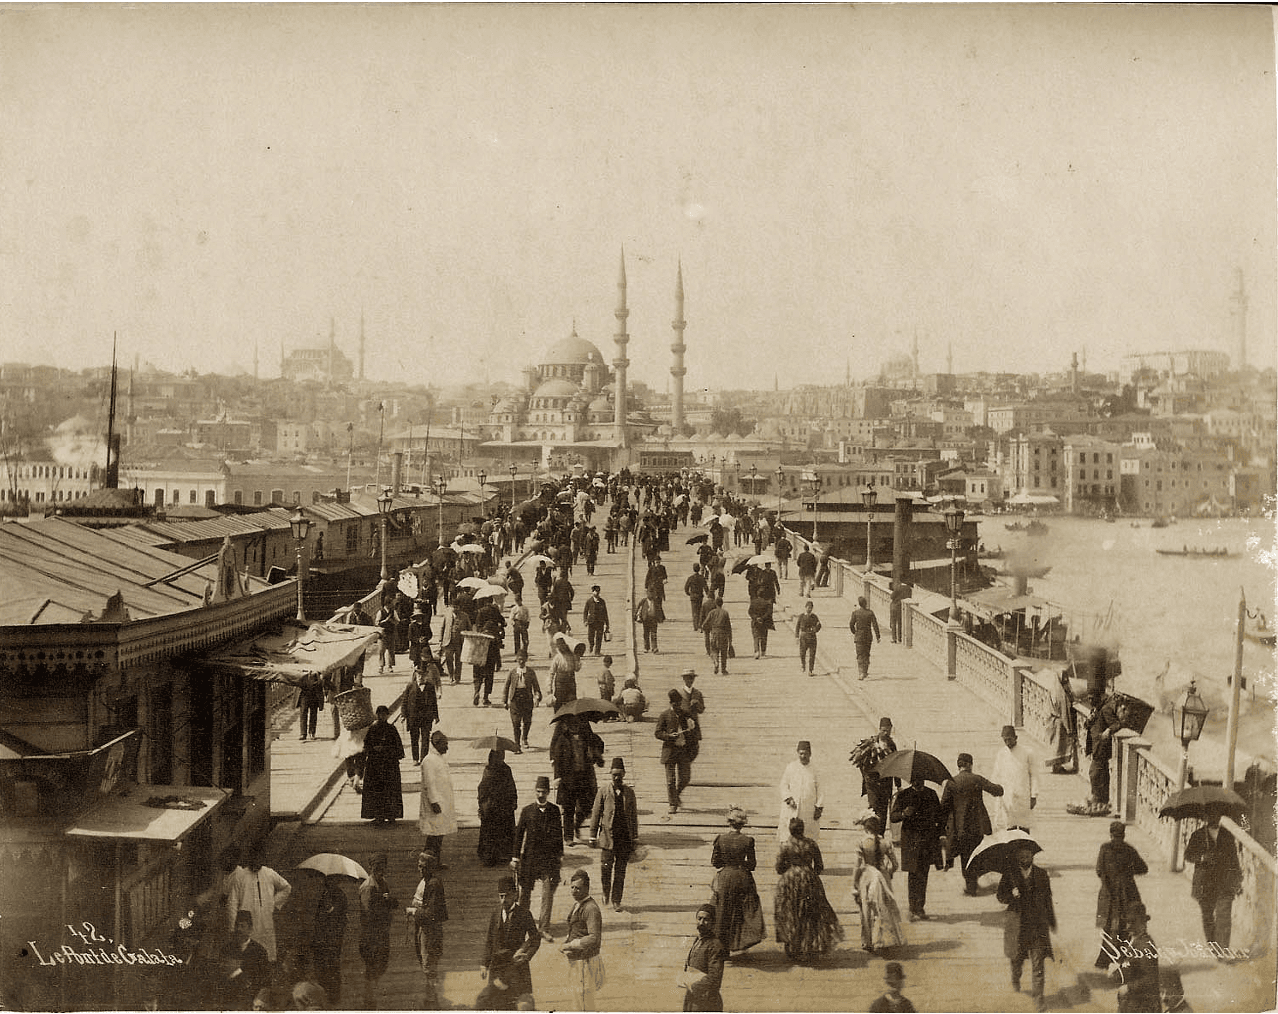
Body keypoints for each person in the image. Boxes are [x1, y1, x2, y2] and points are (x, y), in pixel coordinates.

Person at [774, 817, 843, 962]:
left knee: (790, 911)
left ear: (790, 830)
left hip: (790, 880)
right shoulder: (811, 844)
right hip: (809, 879)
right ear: (803, 829)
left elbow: (779, 868)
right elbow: (819, 866)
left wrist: (791, 870)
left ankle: (792, 943)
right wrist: (809, 873)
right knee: (810, 912)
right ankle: (810, 944)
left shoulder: (785, 845)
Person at [997, 843, 1055, 1012]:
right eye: (1021, 857)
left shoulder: (1042, 874)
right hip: (1017, 926)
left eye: (1028, 856)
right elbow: (1000, 896)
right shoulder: (1010, 875)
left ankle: (1039, 999)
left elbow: (1048, 899)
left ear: (1032, 857)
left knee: (1038, 965)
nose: (1025, 860)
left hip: (1037, 927)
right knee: (1016, 959)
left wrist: (1051, 921)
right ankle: (1016, 977)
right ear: (1017, 858)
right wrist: (1011, 895)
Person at [940, 752, 1004, 895]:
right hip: (977, 826)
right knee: (975, 853)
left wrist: (942, 828)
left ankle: (971, 885)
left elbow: (943, 806)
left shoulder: (951, 782)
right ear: (969, 765)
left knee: (965, 855)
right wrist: (1002, 786)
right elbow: (997, 790)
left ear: (959, 766)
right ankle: (972, 883)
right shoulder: (976, 779)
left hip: (959, 827)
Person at [476, 875, 542, 1012]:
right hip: (497, 968)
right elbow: (489, 941)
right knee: (495, 1004)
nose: (503, 900)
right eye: (500, 896)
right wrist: (484, 964)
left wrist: (527, 955)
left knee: (517, 1004)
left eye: (506, 896)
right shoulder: (495, 914)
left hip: (517, 968)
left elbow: (535, 939)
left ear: (514, 894)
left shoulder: (524, 914)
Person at [512, 775, 565, 942]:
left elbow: (558, 835)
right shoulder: (527, 811)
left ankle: (544, 928)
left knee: (548, 894)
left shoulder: (555, 811)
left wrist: (560, 856)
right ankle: (521, 926)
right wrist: (515, 858)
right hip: (530, 859)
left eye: (543, 792)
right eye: (538, 791)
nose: (540, 794)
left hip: (548, 860)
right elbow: (519, 835)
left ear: (548, 792)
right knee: (525, 894)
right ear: (535, 792)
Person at [1184, 812, 1243, 954]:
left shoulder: (1227, 836)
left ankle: (1222, 950)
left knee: (1224, 916)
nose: (1213, 818)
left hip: (1224, 882)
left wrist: (1237, 879)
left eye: (1216, 814)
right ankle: (1213, 945)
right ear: (1205, 817)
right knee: (1208, 916)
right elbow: (1188, 856)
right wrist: (1202, 857)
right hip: (1204, 882)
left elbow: (1234, 859)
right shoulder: (1198, 835)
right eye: (1210, 814)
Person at [709, 807, 766, 955]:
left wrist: (728, 863)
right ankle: (740, 942)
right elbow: (752, 865)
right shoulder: (748, 840)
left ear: (729, 822)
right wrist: (740, 865)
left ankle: (722, 947)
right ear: (743, 824)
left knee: (722, 910)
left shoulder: (720, 839)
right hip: (742, 877)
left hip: (726, 877)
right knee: (742, 910)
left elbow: (716, 862)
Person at [891, 774, 945, 921]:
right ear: (910, 780)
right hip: (910, 840)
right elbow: (893, 816)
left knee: (923, 874)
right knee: (913, 874)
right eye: (915, 780)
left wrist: (941, 835)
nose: (917, 782)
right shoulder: (904, 795)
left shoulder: (931, 794)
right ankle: (912, 907)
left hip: (927, 840)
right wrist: (904, 813)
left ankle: (920, 908)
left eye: (920, 779)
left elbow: (940, 817)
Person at [1095, 820, 1148, 968]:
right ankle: (1122, 958)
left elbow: (1099, 870)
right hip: (1127, 893)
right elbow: (1143, 868)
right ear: (1123, 835)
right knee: (1126, 926)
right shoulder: (1129, 850)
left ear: (1111, 834)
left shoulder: (1105, 849)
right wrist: (1129, 872)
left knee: (1108, 926)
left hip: (1109, 893)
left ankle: (1104, 960)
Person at [589, 757, 639, 912]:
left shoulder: (629, 793)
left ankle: (617, 900)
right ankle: (605, 891)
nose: (617, 777)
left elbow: (633, 816)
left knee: (620, 871)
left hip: (624, 838)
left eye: (619, 774)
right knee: (605, 868)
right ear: (610, 774)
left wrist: (635, 837)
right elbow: (596, 814)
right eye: (614, 775)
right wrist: (592, 835)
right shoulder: (603, 791)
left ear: (624, 774)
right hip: (607, 838)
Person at [851, 813, 906, 953]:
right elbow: (895, 864)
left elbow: (857, 866)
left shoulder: (861, 843)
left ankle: (867, 941)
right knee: (883, 907)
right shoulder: (885, 843)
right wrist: (889, 874)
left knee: (866, 909)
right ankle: (884, 938)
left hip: (867, 876)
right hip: (882, 876)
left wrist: (854, 882)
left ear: (866, 828)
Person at [224, 853, 292, 962]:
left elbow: (286, 887)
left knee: (266, 953)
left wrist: (273, 903)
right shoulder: (241, 876)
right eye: (254, 858)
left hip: (265, 919)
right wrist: (232, 926)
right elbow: (233, 902)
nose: (257, 862)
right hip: (247, 921)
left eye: (259, 858)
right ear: (249, 859)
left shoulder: (269, 873)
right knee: (247, 952)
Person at [550, 713, 604, 845]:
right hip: (568, 778)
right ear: (567, 726)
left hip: (584, 776)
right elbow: (557, 760)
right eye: (571, 724)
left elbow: (600, 744)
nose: (575, 726)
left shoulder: (587, 736)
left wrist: (596, 750)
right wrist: (557, 777)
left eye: (577, 724)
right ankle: (568, 837)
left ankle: (577, 824)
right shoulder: (562, 740)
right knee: (568, 808)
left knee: (587, 805)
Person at [407, 850, 448, 1010]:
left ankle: (432, 1001)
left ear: (431, 868)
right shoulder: (425, 881)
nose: (420, 870)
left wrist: (413, 911)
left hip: (431, 931)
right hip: (422, 928)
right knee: (426, 962)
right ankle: (431, 997)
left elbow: (431, 913)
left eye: (424, 867)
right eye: (419, 866)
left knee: (429, 964)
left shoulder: (433, 884)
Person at [357, 852, 397, 1010]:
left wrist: (389, 901)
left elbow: (388, 899)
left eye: (383, 867)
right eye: (377, 867)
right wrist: (385, 904)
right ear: (371, 868)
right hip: (371, 934)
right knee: (372, 967)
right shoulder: (368, 887)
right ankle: (369, 1001)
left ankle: (371, 997)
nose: (381, 870)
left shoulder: (383, 883)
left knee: (380, 965)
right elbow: (368, 914)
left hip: (382, 932)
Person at [561, 870, 605, 1012]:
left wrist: (570, 945)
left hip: (586, 962)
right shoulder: (577, 904)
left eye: (578, 888)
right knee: (577, 1000)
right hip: (577, 961)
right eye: (572, 887)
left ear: (587, 889)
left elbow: (594, 937)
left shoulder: (591, 908)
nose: (574, 891)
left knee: (585, 1002)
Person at [1111, 901, 1160, 1013]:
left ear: (1142, 923)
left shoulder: (1146, 946)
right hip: (1132, 1003)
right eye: (1127, 922)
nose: (1128, 926)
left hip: (1142, 1006)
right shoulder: (1134, 941)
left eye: (1132, 922)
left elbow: (1151, 980)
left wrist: (1128, 987)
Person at [678, 904, 727, 1012]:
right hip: (693, 998)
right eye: (699, 918)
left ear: (713, 923)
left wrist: (693, 986)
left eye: (706, 920)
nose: (701, 923)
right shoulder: (698, 940)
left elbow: (715, 977)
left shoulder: (715, 946)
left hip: (707, 1000)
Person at [360, 705, 405, 825]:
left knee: (390, 791)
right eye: (379, 715)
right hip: (375, 765)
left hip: (389, 765)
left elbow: (398, 749)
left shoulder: (392, 729)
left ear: (387, 716)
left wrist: (385, 749)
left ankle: (391, 815)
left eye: (384, 715)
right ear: (377, 715)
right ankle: (378, 815)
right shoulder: (372, 729)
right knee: (377, 791)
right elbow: (366, 745)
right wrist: (374, 748)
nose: (382, 717)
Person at [219, 909, 271, 1009]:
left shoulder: (260, 951)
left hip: (252, 998)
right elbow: (223, 976)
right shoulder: (226, 949)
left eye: (243, 926)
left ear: (250, 929)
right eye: (237, 926)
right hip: (230, 998)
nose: (239, 929)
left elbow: (265, 981)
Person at [655, 689, 696, 814]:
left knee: (685, 778)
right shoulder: (665, 715)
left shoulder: (686, 714)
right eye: (675, 705)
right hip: (670, 751)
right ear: (671, 703)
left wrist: (691, 727)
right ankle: (672, 804)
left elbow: (693, 729)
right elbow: (657, 733)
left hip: (683, 750)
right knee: (670, 780)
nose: (677, 707)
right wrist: (668, 736)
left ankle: (676, 795)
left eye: (679, 704)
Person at [419, 730, 457, 865]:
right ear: (436, 744)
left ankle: (435, 860)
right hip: (435, 803)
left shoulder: (439, 758)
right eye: (444, 744)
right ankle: (426, 861)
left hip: (442, 801)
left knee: (439, 834)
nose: (447, 747)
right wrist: (434, 801)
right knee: (434, 834)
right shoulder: (429, 760)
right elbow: (430, 783)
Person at [478, 749, 519, 867]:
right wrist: (482, 804)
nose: (501, 759)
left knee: (505, 831)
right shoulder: (488, 770)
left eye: (502, 756)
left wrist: (514, 800)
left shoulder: (506, 769)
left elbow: (512, 786)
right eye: (498, 756)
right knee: (490, 833)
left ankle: (504, 854)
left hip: (504, 806)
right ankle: (489, 856)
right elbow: (482, 789)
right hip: (491, 806)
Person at [311, 874, 348, 1006]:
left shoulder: (339, 895)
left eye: (331, 880)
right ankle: (325, 999)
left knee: (332, 970)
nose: (327, 882)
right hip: (321, 941)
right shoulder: (324, 894)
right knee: (321, 971)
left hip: (332, 941)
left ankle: (333, 1000)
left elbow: (341, 918)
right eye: (326, 880)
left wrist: (331, 910)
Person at [778, 740, 825, 843]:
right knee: (788, 835)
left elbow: (821, 790)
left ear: (810, 754)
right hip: (792, 807)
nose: (803, 756)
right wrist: (789, 799)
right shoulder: (791, 767)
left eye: (806, 753)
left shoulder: (815, 769)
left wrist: (818, 807)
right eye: (801, 753)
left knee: (808, 836)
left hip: (808, 809)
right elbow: (783, 785)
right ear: (798, 753)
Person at [991, 725, 1036, 831]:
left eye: (1010, 739)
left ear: (1016, 738)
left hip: (1023, 795)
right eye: (1005, 740)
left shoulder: (1027, 753)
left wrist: (1034, 795)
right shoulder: (1001, 754)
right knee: (1009, 826)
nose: (1007, 743)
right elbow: (996, 774)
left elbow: (1034, 775)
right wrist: (995, 790)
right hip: (1007, 797)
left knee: (1024, 826)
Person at [860, 717, 900, 833]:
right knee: (873, 811)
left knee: (883, 814)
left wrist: (898, 785)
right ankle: (872, 835)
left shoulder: (892, 745)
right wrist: (866, 777)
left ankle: (880, 836)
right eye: (883, 730)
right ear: (879, 729)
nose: (886, 733)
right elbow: (861, 763)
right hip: (872, 784)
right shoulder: (871, 743)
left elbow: (896, 764)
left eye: (888, 730)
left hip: (886, 785)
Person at [502, 648, 542, 753]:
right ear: (516, 659)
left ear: (526, 659)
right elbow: (506, 687)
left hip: (527, 699)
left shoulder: (531, 672)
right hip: (515, 700)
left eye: (523, 659)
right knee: (516, 723)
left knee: (527, 721)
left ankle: (524, 738)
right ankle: (517, 744)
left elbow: (536, 687)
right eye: (519, 659)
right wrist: (504, 701)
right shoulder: (512, 673)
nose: (521, 661)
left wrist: (537, 696)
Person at [402, 665, 440, 764]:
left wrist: (436, 716)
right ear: (415, 675)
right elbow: (404, 701)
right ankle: (415, 758)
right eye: (418, 675)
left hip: (426, 717)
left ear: (426, 675)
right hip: (413, 717)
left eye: (422, 675)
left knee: (425, 738)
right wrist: (403, 715)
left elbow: (433, 702)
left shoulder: (430, 687)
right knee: (414, 738)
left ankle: (424, 758)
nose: (420, 677)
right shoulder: (410, 686)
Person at [1045, 669, 1078, 774]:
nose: (1065, 679)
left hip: (1052, 721)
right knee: (1059, 745)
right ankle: (1057, 767)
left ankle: (1056, 766)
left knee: (1055, 744)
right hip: (1059, 722)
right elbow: (1064, 711)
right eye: (1063, 677)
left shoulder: (1053, 689)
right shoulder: (1061, 694)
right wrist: (1068, 728)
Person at [849, 596, 881, 680]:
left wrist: (855, 632)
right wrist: (878, 636)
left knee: (859, 655)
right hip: (868, 636)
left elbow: (851, 624)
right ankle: (865, 671)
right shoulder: (870, 613)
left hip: (859, 636)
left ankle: (861, 673)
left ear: (859, 604)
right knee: (866, 654)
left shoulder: (855, 613)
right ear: (865, 604)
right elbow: (875, 625)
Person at [548, 632, 581, 706]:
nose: (562, 647)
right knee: (559, 703)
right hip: (560, 682)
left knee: (572, 703)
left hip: (571, 681)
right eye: (559, 646)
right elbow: (551, 673)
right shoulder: (557, 657)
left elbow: (577, 669)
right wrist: (549, 688)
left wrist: (577, 659)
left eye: (563, 645)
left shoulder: (572, 656)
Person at [705, 596, 733, 674]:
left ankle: (716, 662)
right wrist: (730, 639)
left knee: (714, 650)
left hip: (714, 634)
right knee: (723, 652)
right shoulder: (725, 613)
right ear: (722, 603)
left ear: (715, 603)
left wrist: (709, 628)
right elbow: (728, 626)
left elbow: (705, 623)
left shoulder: (712, 612)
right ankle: (723, 669)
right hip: (723, 634)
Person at [296, 672, 325, 742]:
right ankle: (303, 733)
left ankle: (312, 732)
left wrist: (320, 678)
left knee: (313, 713)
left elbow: (323, 673)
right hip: (304, 691)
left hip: (315, 692)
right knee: (303, 712)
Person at [795, 600, 821, 677]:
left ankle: (810, 670)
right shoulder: (801, 616)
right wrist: (796, 636)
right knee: (802, 653)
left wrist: (815, 629)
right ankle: (803, 664)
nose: (809, 609)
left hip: (812, 637)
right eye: (808, 607)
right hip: (803, 637)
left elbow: (819, 625)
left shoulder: (814, 617)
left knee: (812, 654)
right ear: (805, 607)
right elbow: (797, 627)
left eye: (811, 608)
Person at [583, 585, 610, 656]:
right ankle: (591, 645)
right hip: (591, 622)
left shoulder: (602, 601)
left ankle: (597, 651)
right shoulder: (589, 601)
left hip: (600, 621)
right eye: (595, 591)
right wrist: (585, 620)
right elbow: (585, 611)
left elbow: (605, 613)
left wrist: (607, 624)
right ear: (592, 592)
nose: (597, 593)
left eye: (598, 591)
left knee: (599, 637)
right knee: (590, 636)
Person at [748, 594, 774, 659]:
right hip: (764, 622)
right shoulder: (766, 603)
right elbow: (769, 612)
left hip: (755, 622)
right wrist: (762, 618)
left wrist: (756, 618)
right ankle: (763, 651)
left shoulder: (753, 602)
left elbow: (750, 612)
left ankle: (757, 651)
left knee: (756, 637)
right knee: (764, 636)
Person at [685, 564, 709, 631]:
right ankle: (699, 624)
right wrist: (708, 594)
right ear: (699, 569)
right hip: (699, 596)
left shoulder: (690, 578)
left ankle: (695, 626)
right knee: (699, 610)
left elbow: (686, 588)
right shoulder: (701, 578)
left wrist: (689, 594)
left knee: (694, 611)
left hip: (693, 597)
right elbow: (705, 587)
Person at [888, 579, 912, 644]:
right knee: (900, 623)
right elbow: (909, 598)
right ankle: (900, 638)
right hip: (903, 607)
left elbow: (892, 596)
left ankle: (894, 638)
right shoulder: (909, 589)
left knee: (893, 623)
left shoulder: (898, 588)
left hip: (895, 607)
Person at [508, 593, 531, 657]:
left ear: (521, 600)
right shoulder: (514, 609)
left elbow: (528, 616)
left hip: (523, 624)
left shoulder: (525, 608)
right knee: (517, 640)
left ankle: (524, 652)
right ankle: (517, 654)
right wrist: (513, 623)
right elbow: (511, 618)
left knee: (525, 640)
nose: (518, 602)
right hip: (517, 623)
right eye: (516, 600)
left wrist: (527, 622)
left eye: (519, 600)